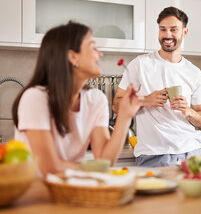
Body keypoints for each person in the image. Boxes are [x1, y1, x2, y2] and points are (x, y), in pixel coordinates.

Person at [12, 21, 140, 176]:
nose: (100, 54)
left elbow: (105, 160)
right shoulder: (35, 98)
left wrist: (125, 116)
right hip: (36, 192)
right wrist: (91, 169)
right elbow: (50, 167)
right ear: (73, 56)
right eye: (93, 47)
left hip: (71, 188)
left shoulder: (96, 99)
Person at [113, 6, 201, 167]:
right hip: (153, 155)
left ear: (184, 32)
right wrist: (145, 100)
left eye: (173, 29)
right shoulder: (140, 65)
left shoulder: (194, 72)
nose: (167, 35)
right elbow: (116, 105)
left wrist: (187, 110)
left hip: (192, 153)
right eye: (162, 29)